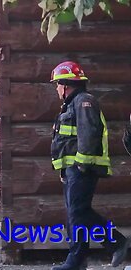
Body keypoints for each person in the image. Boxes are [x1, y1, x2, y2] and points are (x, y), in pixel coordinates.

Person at [49, 61, 129, 270]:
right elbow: (66, 141)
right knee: (76, 215)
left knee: (79, 211)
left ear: (66, 85)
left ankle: (116, 242)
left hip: (82, 168)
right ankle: (78, 260)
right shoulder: (72, 104)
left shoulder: (85, 102)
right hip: (72, 170)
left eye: (57, 84)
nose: (57, 89)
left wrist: (80, 166)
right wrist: (63, 170)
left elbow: (89, 134)